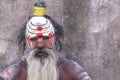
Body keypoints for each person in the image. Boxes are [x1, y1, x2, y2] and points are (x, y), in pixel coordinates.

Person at [0, 1, 92, 80]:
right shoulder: (17, 72)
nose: (40, 45)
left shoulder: (69, 69)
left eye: (46, 38)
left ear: (56, 39)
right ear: (26, 42)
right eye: (33, 39)